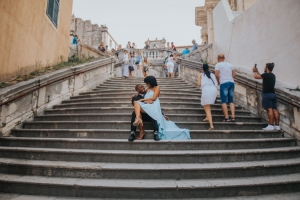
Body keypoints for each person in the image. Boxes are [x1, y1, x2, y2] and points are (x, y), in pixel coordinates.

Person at [132, 76, 191, 140]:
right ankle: (138, 119)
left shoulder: (157, 87)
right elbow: (142, 94)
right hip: (148, 105)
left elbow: (154, 98)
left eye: (147, 83)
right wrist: (134, 96)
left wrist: (142, 100)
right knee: (135, 102)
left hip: (154, 105)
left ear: (151, 82)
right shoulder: (147, 89)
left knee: (137, 104)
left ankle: (139, 121)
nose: (146, 85)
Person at [253, 63, 280, 131]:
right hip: (273, 95)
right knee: (275, 110)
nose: (264, 68)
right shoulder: (273, 75)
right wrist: (257, 71)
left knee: (269, 110)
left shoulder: (266, 75)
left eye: (265, 67)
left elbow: (256, 77)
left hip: (267, 94)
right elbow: (261, 76)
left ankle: (270, 125)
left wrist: (254, 71)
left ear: (267, 68)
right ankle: (277, 125)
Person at [215, 54, 236, 122]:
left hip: (224, 83)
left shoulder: (218, 65)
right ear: (224, 58)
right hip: (231, 83)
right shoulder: (230, 64)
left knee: (223, 101)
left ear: (218, 58)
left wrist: (218, 81)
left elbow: (216, 75)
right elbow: (234, 74)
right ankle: (233, 117)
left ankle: (226, 118)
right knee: (231, 100)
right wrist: (229, 77)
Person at [198, 64, 218, 130]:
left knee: (207, 108)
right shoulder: (212, 74)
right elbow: (216, 83)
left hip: (206, 90)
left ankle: (211, 125)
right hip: (213, 90)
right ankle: (207, 117)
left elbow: (198, 84)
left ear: (202, 69)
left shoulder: (201, 75)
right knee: (206, 105)